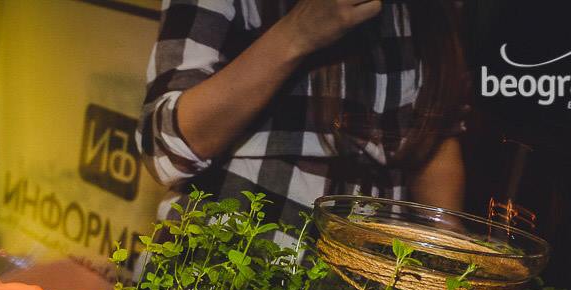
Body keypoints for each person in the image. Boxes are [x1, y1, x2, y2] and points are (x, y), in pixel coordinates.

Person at [137, 0, 468, 242]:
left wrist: (450, 253)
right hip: (227, 274)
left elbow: (434, 138)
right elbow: (165, 146)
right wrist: (298, 33)